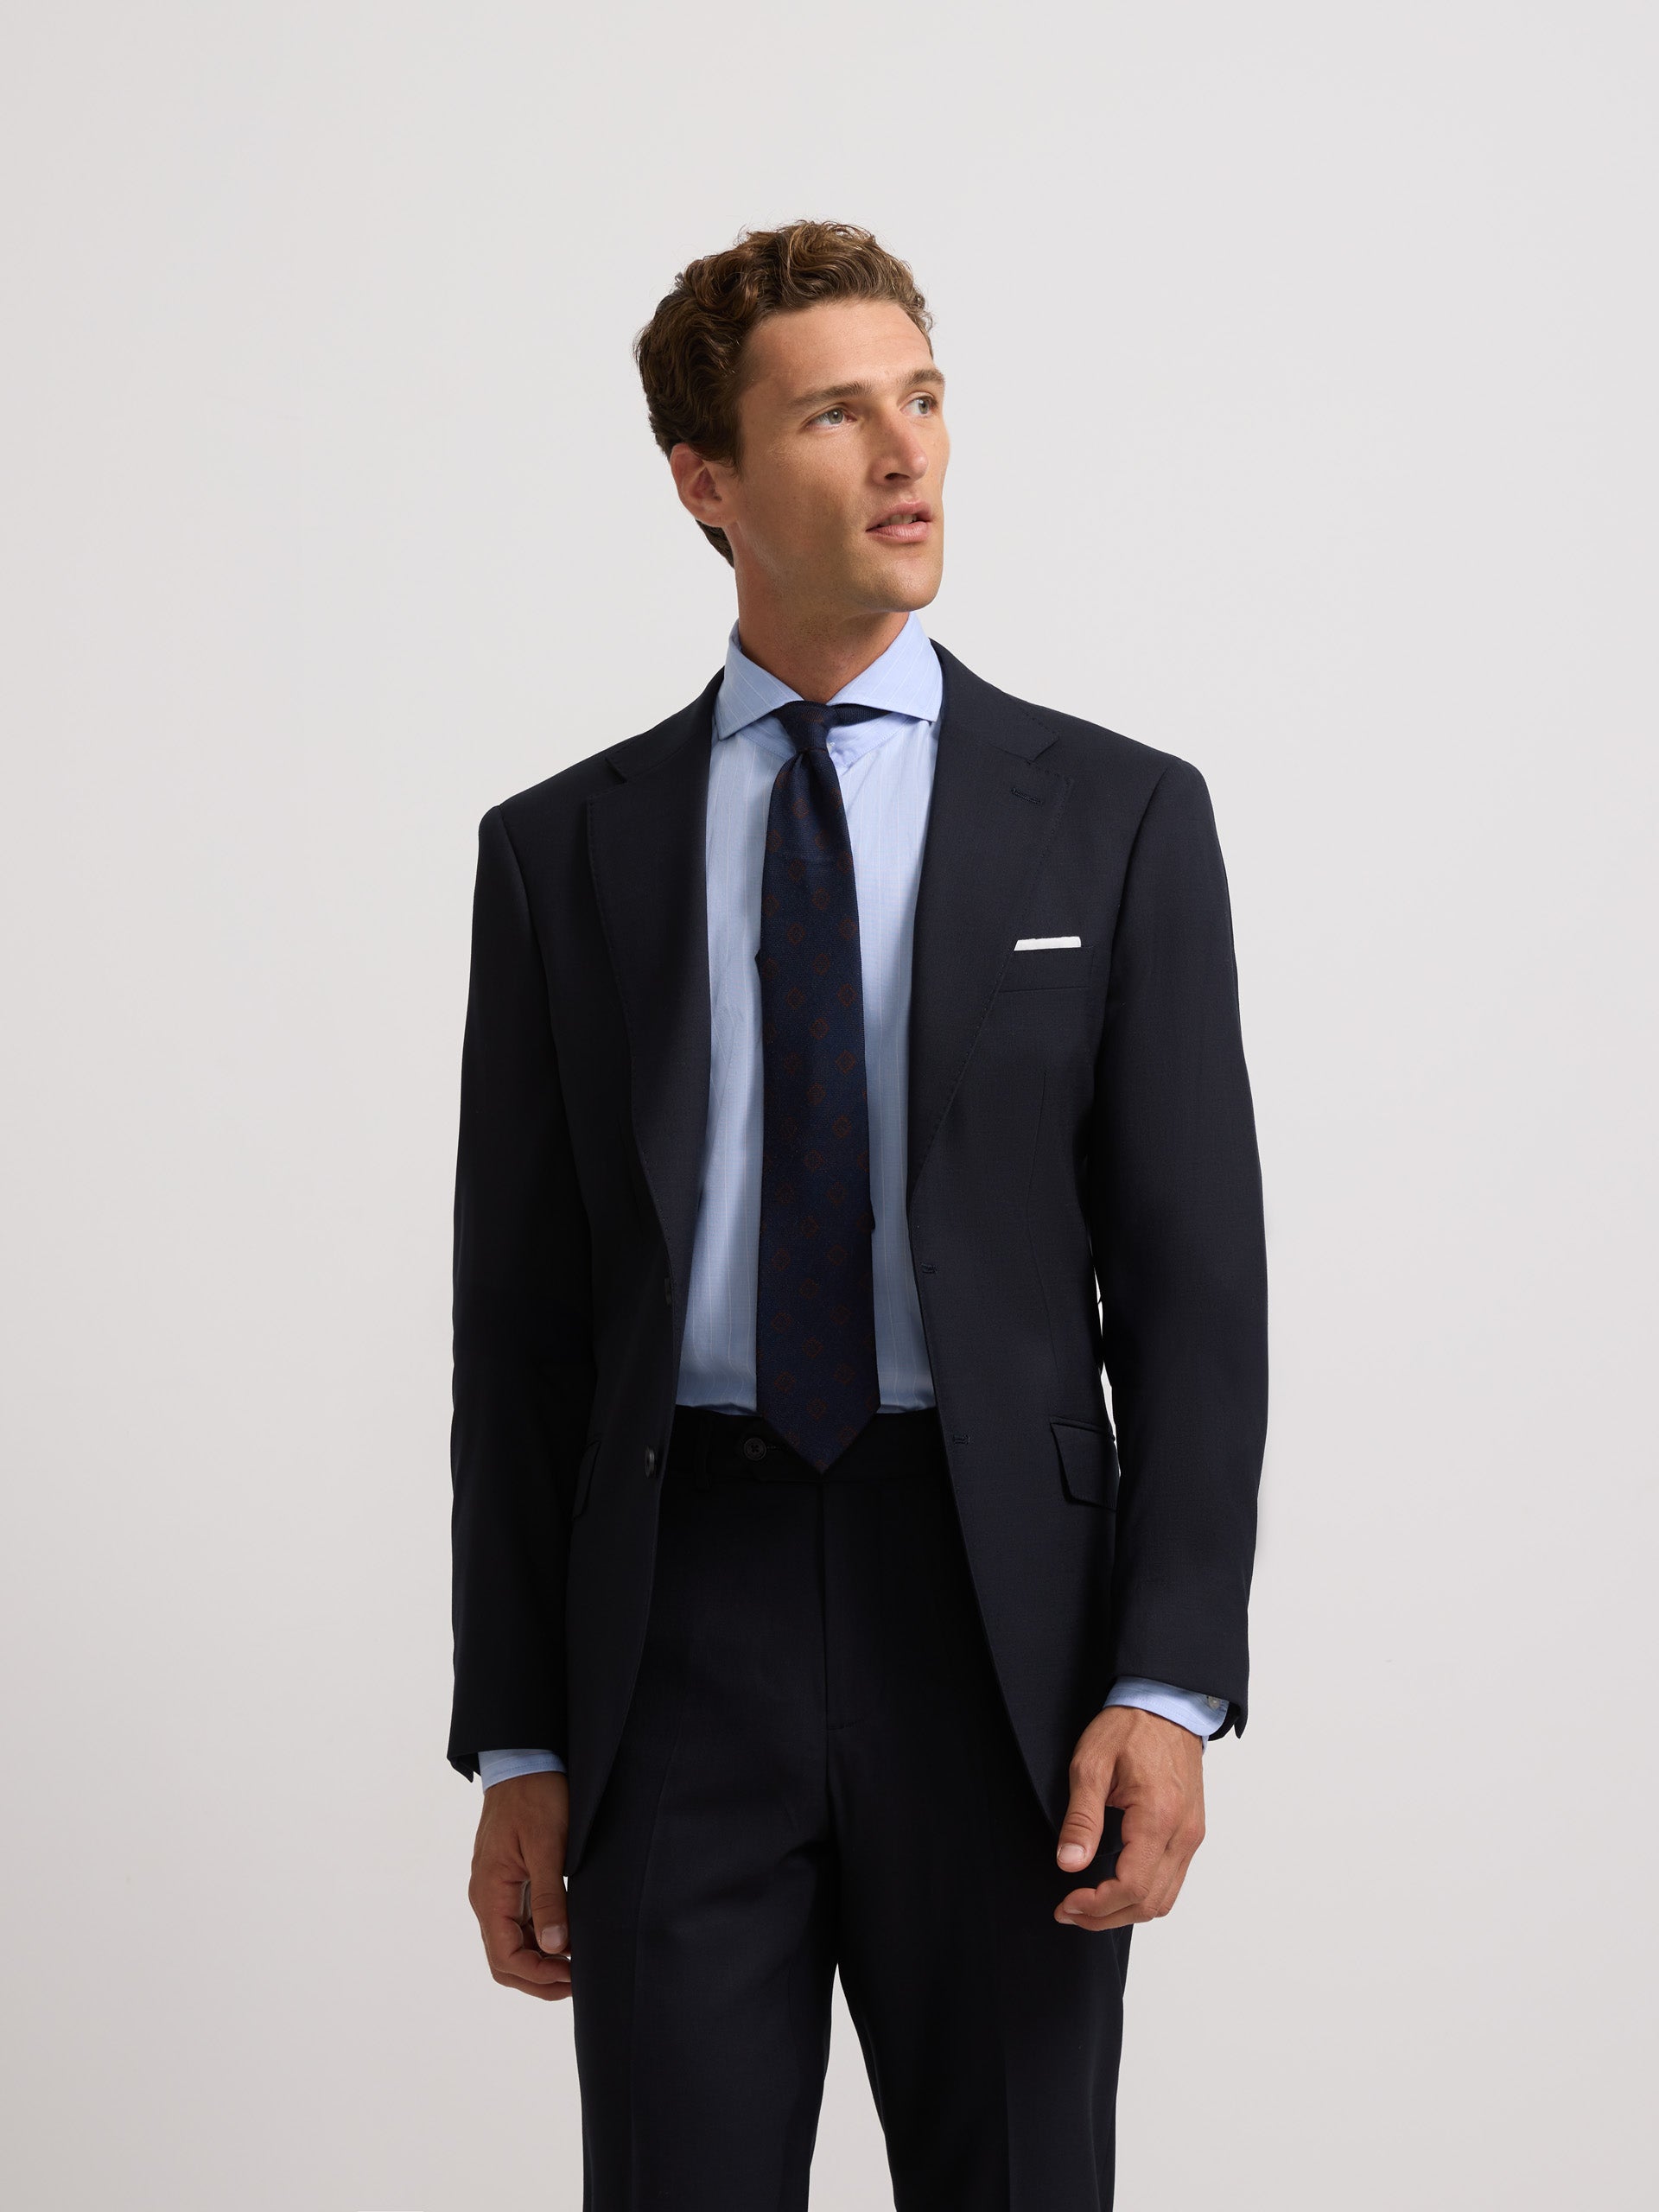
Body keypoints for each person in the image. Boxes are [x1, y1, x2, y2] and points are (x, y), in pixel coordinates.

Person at [448, 218, 1267, 2210]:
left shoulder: (1117, 818)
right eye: (833, 413)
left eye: (923, 397)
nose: (908, 452)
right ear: (706, 482)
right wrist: (518, 1736)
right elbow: (522, 1331)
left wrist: (1166, 1680)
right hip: (681, 1616)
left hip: (1002, 1632)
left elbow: (1194, 1295)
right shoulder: (564, 854)